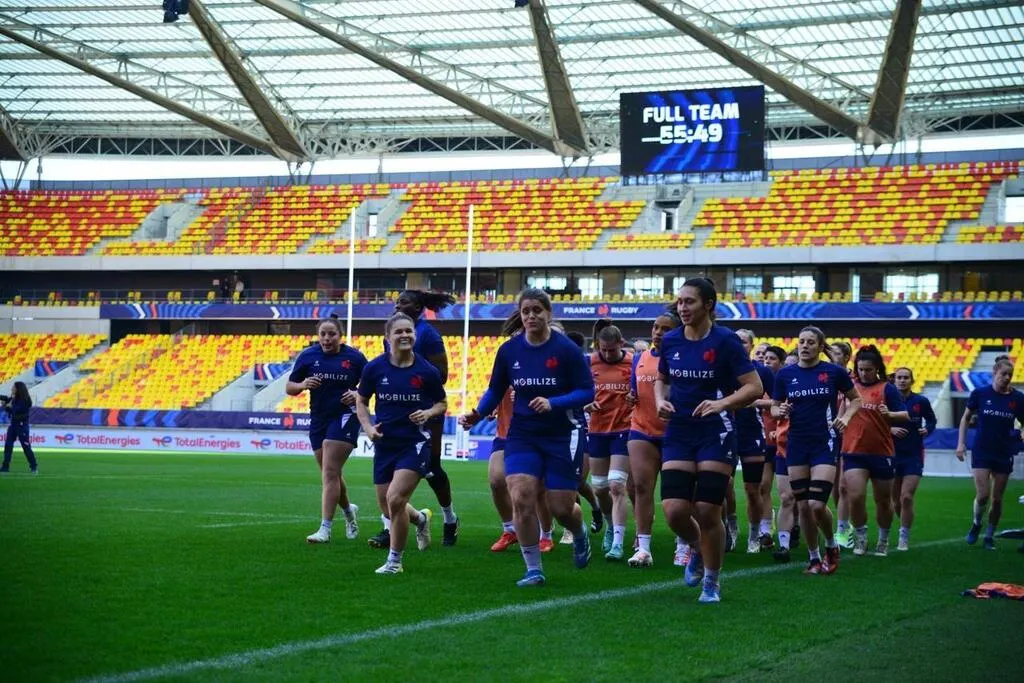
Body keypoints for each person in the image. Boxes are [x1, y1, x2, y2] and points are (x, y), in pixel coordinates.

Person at [460, 288, 595, 586]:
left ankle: (580, 531)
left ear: (548, 313)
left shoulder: (566, 350)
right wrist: (477, 413)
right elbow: (496, 389)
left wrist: (554, 402)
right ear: (520, 316)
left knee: (561, 507)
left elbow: (587, 391)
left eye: (537, 310)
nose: (531, 316)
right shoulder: (510, 351)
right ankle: (533, 569)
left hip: (563, 433)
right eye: (526, 311)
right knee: (521, 496)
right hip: (523, 434)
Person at [655, 278, 764, 602]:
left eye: (689, 301)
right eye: (680, 302)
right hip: (679, 431)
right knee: (675, 510)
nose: (682, 308)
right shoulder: (672, 341)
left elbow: (754, 387)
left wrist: (722, 403)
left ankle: (712, 583)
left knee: (706, 508)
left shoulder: (726, 342)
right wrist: (660, 400)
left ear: (708, 305)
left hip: (716, 432)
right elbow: (661, 379)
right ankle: (697, 546)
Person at [357, 313, 446, 574]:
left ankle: (394, 561)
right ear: (388, 337)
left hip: (415, 443)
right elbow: (361, 401)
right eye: (399, 332)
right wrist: (368, 428)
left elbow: (441, 403)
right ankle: (420, 519)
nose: (405, 335)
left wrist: (428, 413)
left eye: (409, 331)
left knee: (395, 499)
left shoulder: (426, 371)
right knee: (386, 504)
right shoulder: (375, 368)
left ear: (415, 336)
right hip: (385, 444)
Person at [773, 326, 862, 575]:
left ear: (820, 345)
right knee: (802, 507)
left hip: (825, 442)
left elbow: (856, 399)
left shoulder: (833, 372)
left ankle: (831, 545)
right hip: (797, 444)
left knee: (815, 505)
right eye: (801, 341)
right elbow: (774, 406)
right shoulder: (785, 375)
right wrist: (777, 411)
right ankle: (813, 558)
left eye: (811, 342)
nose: (805, 345)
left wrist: (846, 417)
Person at [381, 289, 461, 546]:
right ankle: (390, 526)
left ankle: (450, 519)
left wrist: (413, 383)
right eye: (397, 301)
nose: (398, 305)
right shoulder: (391, 332)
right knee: (390, 469)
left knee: (431, 469)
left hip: (426, 410)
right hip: (396, 410)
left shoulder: (428, 334)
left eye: (404, 302)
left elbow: (442, 374)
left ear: (418, 307)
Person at [285, 315, 366, 543]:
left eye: (332, 334)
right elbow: (290, 387)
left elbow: (374, 383)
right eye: (323, 334)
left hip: (345, 417)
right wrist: (302, 385)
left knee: (329, 473)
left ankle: (325, 528)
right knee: (331, 473)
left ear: (340, 336)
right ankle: (349, 511)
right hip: (319, 419)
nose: (327, 338)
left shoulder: (354, 358)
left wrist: (358, 394)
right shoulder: (308, 356)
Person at [840, 346, 909, 557]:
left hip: (881, 452)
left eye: (868, 370)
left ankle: (884, 538)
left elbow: (905, 415)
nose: (864, 373)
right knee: (856, 496)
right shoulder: (850, 388)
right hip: (853, 451)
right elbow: (842, 411)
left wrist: (889, 414)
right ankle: (860, 537)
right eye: (860, 369)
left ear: (877, 368)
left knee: (883, 500)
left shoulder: (887, 389)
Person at [626, 310, 681, 567]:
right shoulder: (640, 357)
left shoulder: (684, 358)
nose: (658, 332)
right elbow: (634, 391)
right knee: (641, 488)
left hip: (676, 433)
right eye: (656, 327)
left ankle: (683, 545)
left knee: (677, 496)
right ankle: (643, 547)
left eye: (666, 329)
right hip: (641, 429)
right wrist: (630, 396)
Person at [956, 356, 1024, 549]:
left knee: (997, 498)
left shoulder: (1018, 398)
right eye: (1004, 374)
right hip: (982, 450)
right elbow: (965, 418)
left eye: (1010, 375)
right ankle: (977, 524)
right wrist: (961, 443)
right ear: (995, 373)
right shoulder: (980, 393)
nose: (1007, 378)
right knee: (983, 494)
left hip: (1004, 451)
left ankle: (989, 535)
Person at [585, 324, 634, 560]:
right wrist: (585, 405)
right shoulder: (590, 362)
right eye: (603, 350)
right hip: (597, 430)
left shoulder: (633, 363)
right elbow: (579, 391)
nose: (606, 355)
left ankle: (617, 542)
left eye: (611, 350)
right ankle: (609, 522)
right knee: (600, 488)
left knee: (616, 485)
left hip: (624, 430)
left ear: (621, 344)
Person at [734, 329, 776, 553]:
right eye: (735, 341)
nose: (739, 345)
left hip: (751, 433)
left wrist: (757, 402)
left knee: (753, 488)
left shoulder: (762, 372)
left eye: (743, 342)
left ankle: (753, 536)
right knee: (722, 489)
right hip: (725, 432)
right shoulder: (722, 369)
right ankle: (730, 530)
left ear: (751, 345)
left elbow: (779, 402)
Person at [890, 366, 936, 551]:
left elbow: (932, 420)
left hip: (914, 455)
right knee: (895, 501)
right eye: (899, 377)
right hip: (891, 454)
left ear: (912, 380)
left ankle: (904, 535)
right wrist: (890, 429)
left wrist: (928, 429)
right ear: (894, 380)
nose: (902, 380)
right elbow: (876, 422)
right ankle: (903, 524)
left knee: (906, 497)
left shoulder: (921, 401)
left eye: (906, 377)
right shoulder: (888, 401)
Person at [829, 341, 855, 549]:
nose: (832, 357)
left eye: (836, 354)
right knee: (834, 488)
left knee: (844, 486)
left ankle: (843, 529)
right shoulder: (827, 376)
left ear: (846, 357)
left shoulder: (852, 380)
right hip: (830, 434)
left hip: (849, 435)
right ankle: (844, 524)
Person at [1, 381, 38, 474]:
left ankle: (33, 466)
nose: (11, 389)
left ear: (18, 389)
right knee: (8, 446)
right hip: (13, 425)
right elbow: (6, 399)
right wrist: (6, 404)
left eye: (13, 387)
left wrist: (6, 406)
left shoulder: (24, 400)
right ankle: (5, 467)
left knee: (26, 446)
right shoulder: (15, 399)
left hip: (21, 426)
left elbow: (14, 410)